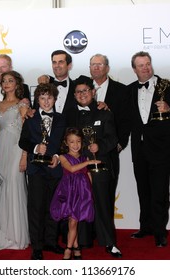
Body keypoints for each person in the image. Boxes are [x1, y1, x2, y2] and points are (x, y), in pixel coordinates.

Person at [125, 51, 170, 247]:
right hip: (139, 149)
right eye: (141, 65)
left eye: (148, 64)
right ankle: (146, 227)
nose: (146, 68)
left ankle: (160, 232)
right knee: (143, 190)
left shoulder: (168, 87)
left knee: (160, 192)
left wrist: (169, 108)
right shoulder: (128, 91)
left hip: (161, 148)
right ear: (134, 69)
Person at [64, 76, 122, 258]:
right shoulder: (69, 114)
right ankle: (81, 242)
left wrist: (100, 146)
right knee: (77, 207)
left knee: (103, 206)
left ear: (93, 92)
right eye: (78, 91)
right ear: (74, 95)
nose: (82, 94)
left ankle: (110, 243)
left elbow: (113, 138)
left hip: (99, 167)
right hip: (77, 168)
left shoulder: (104, 112)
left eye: (86, 91)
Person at [19, 83, 66, 260]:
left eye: (49, 98)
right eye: (42, 98)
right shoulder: (30, 119)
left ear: (55, 99)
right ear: (37, 100)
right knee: (36, 208)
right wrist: (36, 147)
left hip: (55, 169)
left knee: (54, 208)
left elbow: (64, 142)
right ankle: (37, 246)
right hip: (36, 169)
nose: (46, 102)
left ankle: (51, 242)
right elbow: (22, 141)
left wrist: (57, 155)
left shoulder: (62, 119)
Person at [0, 54, 31, 241]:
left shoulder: (23, 104)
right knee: (1, 190)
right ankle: (4, 234)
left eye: (10, 80)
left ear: (16, 84)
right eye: (4, 81)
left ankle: (18, 235)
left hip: (16, 150)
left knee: (15, 188)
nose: (6, 83)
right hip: (1, 151)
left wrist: (24, 156)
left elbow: (26, 132)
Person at [78, 54, 129, 191]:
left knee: (106, 196)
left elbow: (125, 120)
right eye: (93, 64)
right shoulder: (80, 89)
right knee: (84, 197)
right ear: (89, 68)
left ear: (107, 68)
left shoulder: (121, 90)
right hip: (83, 153)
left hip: (109, 151)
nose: (96, 67)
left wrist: (119, 144)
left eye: (100, 64)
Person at [50, 127, 99, 260]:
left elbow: (88, 175)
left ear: (82, 142)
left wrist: (90, 193)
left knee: (75, 221)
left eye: (78, 141)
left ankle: (74, 247)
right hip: (69, 192)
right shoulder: (63, 157)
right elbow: (71, 169)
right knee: (72, 222)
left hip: (82, 192)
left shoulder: (83, 157)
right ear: (66, 143)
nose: (75, 145)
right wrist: (88, 162)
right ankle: (70, 248)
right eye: (72, 142)